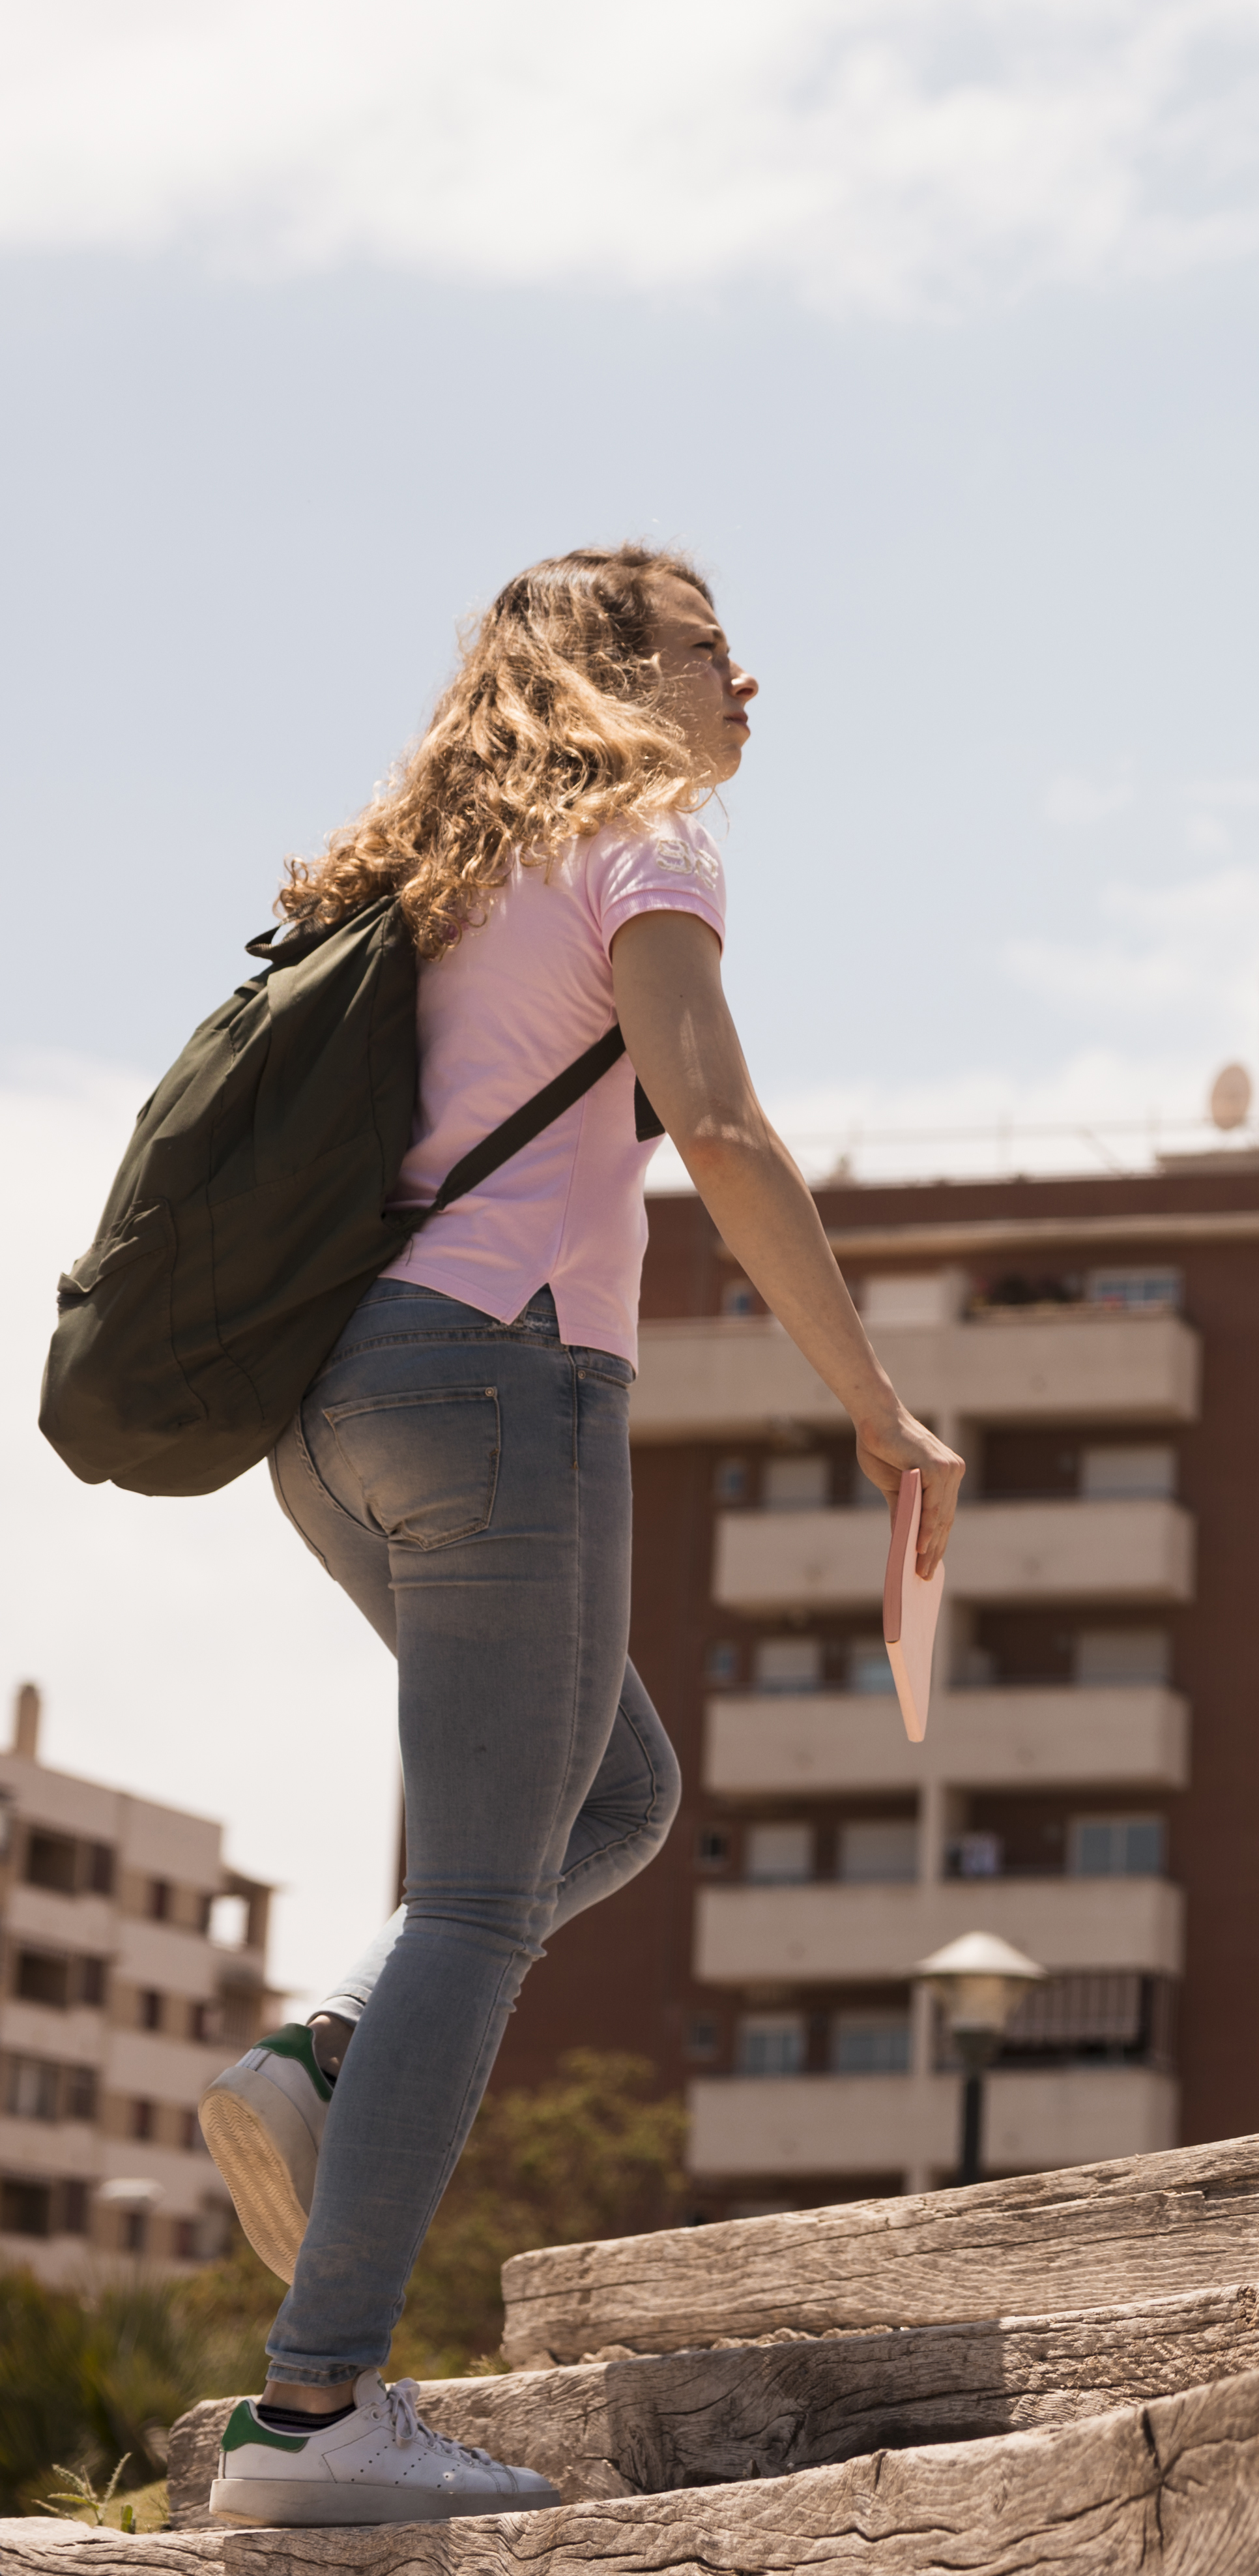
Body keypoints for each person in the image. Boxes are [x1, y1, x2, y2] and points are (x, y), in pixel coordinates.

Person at [195, 545, 964, 2527]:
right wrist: (874, 1404)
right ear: (631, 672)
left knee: (609, 1793)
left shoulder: (437, 875)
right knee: (475, 1889)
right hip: (504, 1386)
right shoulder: (650, 842)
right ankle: (313, 2417)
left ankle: (323, 2055)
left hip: (337, 1407)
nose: (752, 685)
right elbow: (718, 1124)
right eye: (719, 648)